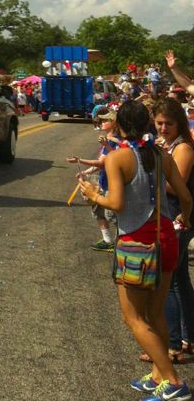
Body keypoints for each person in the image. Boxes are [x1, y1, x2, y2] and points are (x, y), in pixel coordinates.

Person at [80, 100, 193, 399]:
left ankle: (173, 381)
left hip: (136, 244)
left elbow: (116, 204)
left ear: (119, 125)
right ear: (146, 124)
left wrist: (93, 194)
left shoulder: (119, 158)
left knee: (133, 318)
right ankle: (158, 375)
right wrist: (185, 219)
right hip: (167, 236)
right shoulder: (161, 154)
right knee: (156, 314)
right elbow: (186, 195)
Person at [152, 99, 194, 364]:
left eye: (169, 123)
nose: (164, 128)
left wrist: (156, 162)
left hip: (179, 219)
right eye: (159, 123)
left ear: (179, 123)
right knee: (179, 281)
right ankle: (189, 338)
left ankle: (172, 346)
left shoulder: (183, 149)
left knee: (166, 284)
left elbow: (174, 187)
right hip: (171, 218)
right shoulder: (167, 146)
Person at [68, 109, 120, 251]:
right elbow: (100, 163)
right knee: (98, 210)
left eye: (105, 120)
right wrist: (85, 172)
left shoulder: (114, 140)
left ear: (114, 123)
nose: (101, 122)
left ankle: (124, 243)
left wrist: (80, 160)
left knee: (113, 216)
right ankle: (108, 240)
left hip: (112, 185)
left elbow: (101, 163)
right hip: (104, 181)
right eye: (101, 120)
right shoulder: (107, 139)